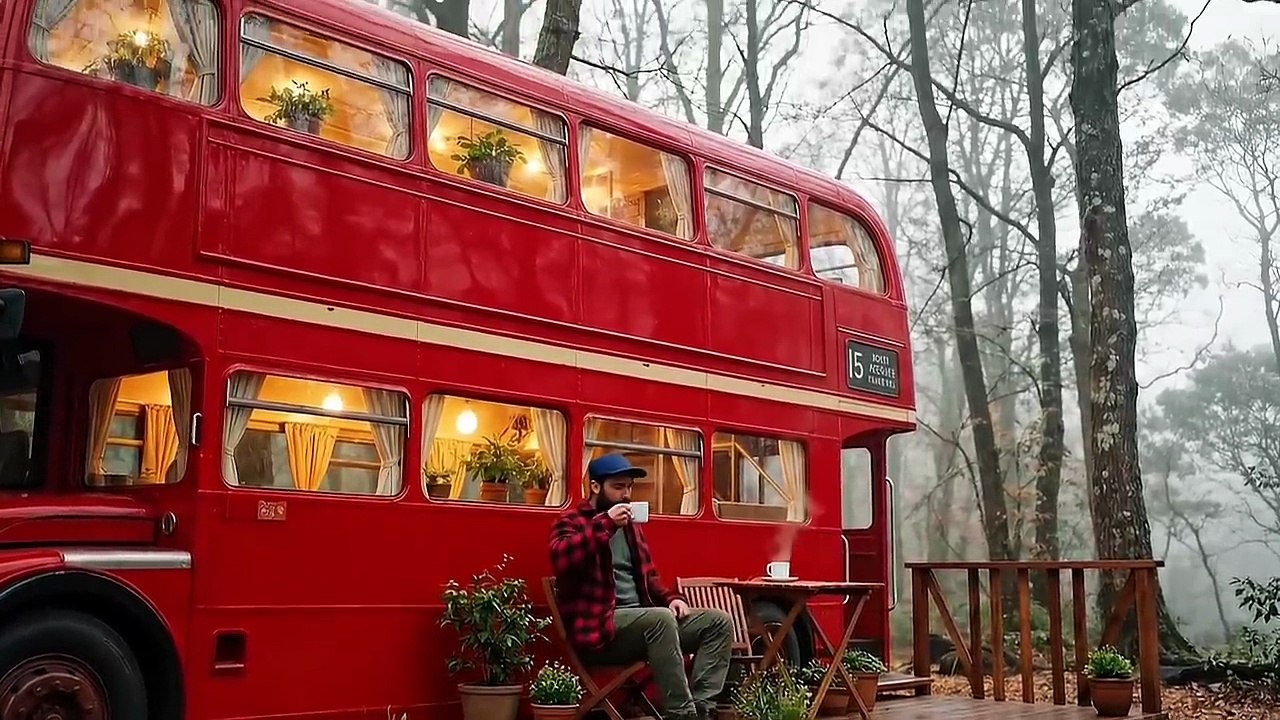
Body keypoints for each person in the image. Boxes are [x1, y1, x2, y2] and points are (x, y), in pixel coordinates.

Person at [548, 452, 733, 720]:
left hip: (644, 625)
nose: (625, 495)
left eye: (629, 487)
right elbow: (562, 557)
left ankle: (702, 708)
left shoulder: (631, 527)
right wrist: (606, 524)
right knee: (659, 620)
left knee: (717, 622)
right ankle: (682, 715)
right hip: (602, 630)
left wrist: (672, 599)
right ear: (595, 487)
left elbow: (649, 577)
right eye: (618, 487)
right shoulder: (572, 522)